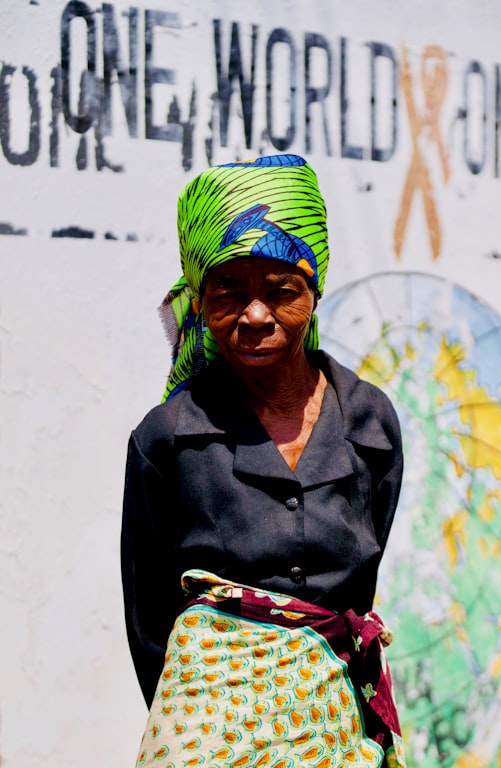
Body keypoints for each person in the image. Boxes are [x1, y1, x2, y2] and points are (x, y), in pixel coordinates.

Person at [121, 154, 407, 768]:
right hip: (204, 731)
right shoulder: (166, 438)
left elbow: (362, 583)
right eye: (229, 293)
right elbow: (149, 623)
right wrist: (206, 715)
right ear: (198, 300)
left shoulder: (370, 423)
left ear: (313, 291)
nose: (255, 315)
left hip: (331, 718)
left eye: (281, 292)